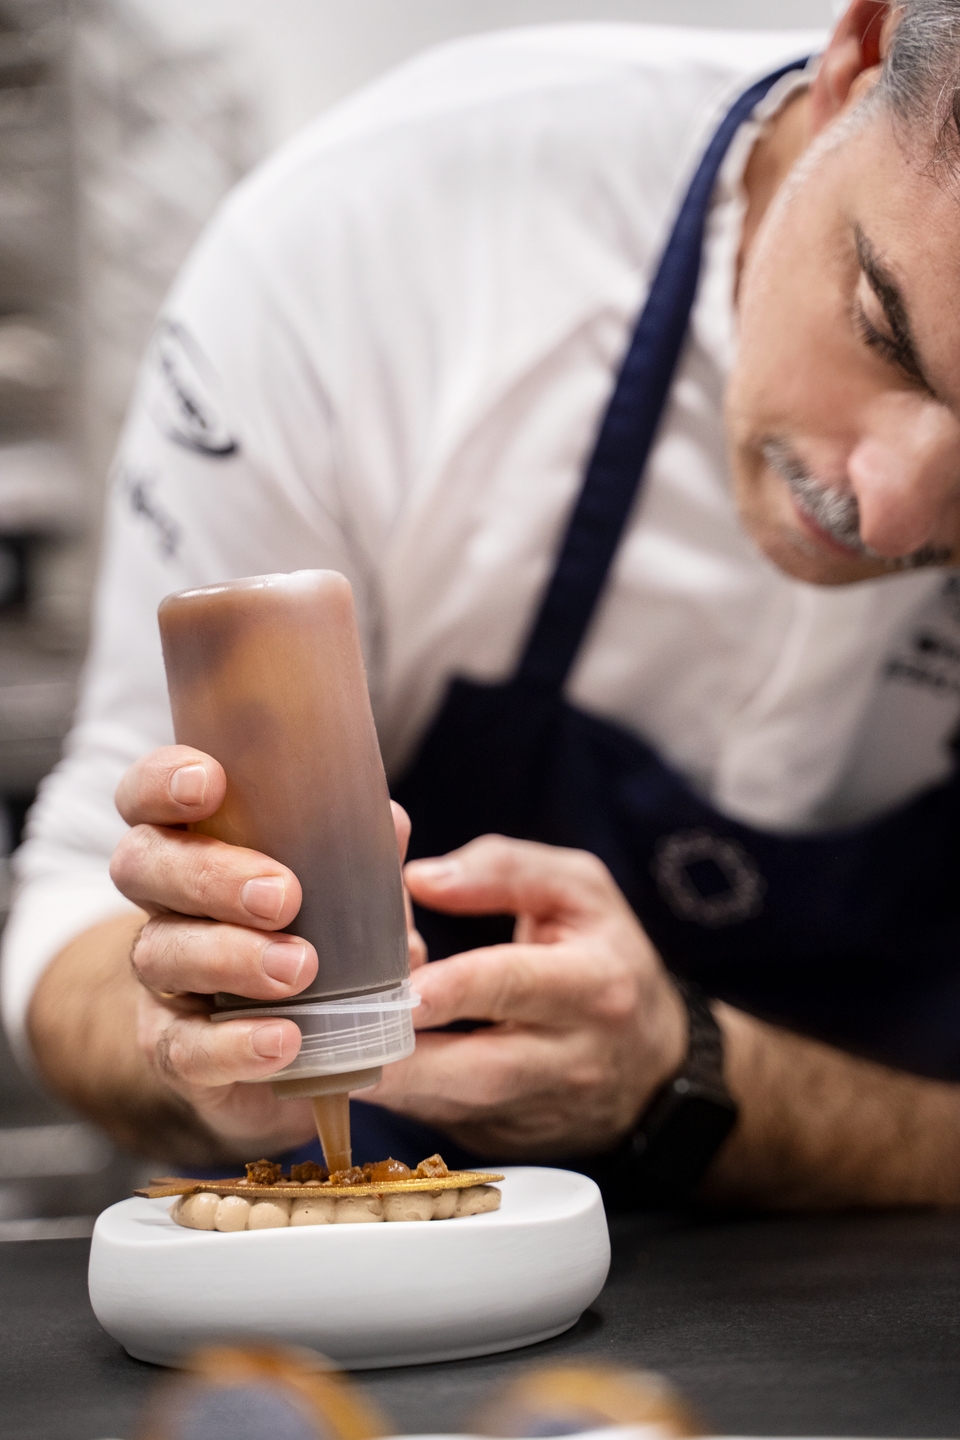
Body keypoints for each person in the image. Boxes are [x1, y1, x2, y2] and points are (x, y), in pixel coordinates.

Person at [7, 0, 960, 1207]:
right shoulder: (381, 248)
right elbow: (72, 916)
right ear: (857, 57)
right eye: (881, 326)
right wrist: (181, 1020)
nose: (886, 513)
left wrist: (697, 1077)